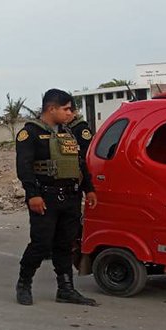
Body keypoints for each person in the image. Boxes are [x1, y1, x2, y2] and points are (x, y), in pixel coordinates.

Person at [15, 89, 99, 306]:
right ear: (51, 109)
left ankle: (66, 289)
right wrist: (32, 195)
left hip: (70, 197)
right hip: (45, 197)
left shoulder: (69, 133)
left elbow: (80, 163)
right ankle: (24, 284)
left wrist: (89, 188)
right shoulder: (30, 133)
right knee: (41, 244)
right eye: (66, 109)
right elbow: (24, 167)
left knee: (65, 244)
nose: (69, 113)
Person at [64, 111, 94, 259]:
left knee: (74, 213)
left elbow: (86, 152)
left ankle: (75, 243)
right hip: (70, 173)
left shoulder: (81, 129)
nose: (66, 115)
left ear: (74, 113)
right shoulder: (64, 128)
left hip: (81, 173)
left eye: (68, 111)